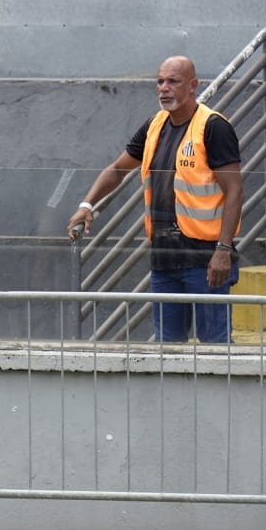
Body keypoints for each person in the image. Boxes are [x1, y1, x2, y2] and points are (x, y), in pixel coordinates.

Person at [67, 55, 244, 342]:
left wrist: (223, 251)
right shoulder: (154, 126)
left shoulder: (212, 127)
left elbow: (234, 191)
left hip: (206, 260)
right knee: (167, 351)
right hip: (164, 258)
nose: (164, 88)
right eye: (160, 81)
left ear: (193, 86)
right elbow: (116, 169)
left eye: (173, 81)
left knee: (216, 348)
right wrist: (87, 205)